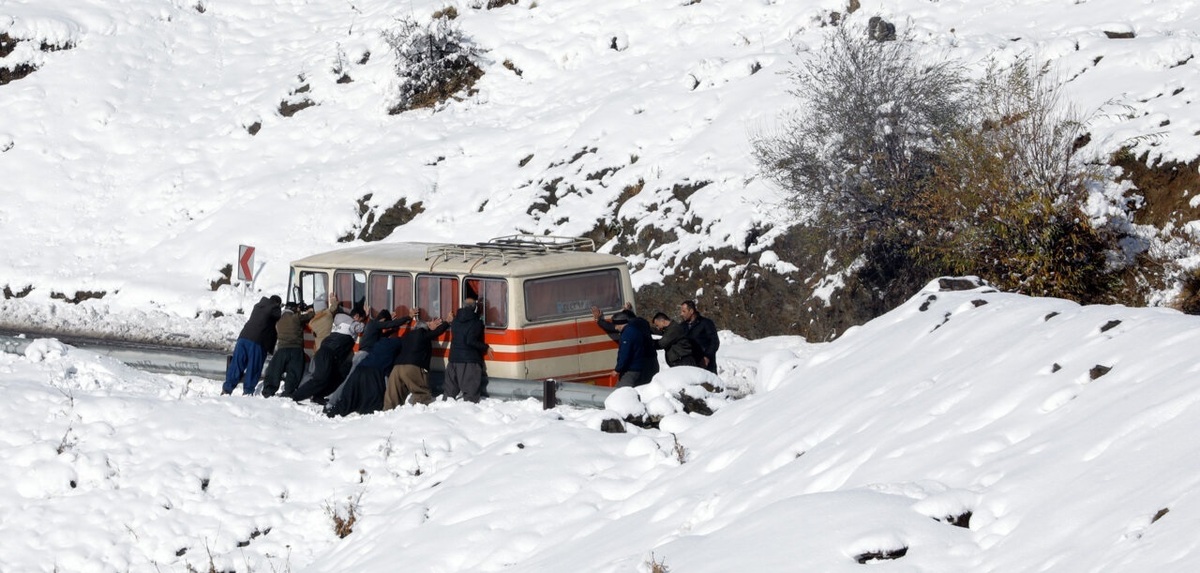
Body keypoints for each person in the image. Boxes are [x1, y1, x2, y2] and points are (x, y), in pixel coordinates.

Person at [323, 333, 406, 417]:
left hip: (360, 368)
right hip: (375, 372)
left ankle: (332, 413)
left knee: (350, 396)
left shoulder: (379, 343)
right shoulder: (398, 343)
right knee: (373, 400)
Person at [290, 310, 362, 404]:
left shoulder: (339, 323)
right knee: (321, 379)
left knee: (337, 377)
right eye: (359, 318)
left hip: (330, 355)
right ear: (356, 316)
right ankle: (296, 396)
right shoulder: (351, 324)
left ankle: (318, 396)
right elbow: (361, 328)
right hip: (328, 354)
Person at [385, 315, 450, 409]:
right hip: (413, 366)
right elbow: (437, 332)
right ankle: (419, 418)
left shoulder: (407, 336)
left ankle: (386, 416)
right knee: (422, 394)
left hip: (397, 368)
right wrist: (447, 322)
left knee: (393, 396)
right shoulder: (422, 333)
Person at [222, 295, 282, 395]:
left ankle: (226, 390)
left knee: (237, 364)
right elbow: (278, 315)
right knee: (254, 367)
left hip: (243, 337)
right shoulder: (273, 308)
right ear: (276, 303)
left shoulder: (258, 306)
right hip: (257, 341)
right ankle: (248, 392)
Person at [262, 302, 314, 398]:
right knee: (294, 371)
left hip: (282, 348)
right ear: (294, 309)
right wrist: (310, 311)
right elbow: (309, 316)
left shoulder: (279, 319)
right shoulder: (296, 317)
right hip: (296, 349)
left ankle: (268, 390)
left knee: (275, 370)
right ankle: (289, 391)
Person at [443, 296, 489, 402]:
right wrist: (486, 347)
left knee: (449, 394)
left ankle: (444, 415)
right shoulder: (476, 322)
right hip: (469, 361)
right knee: (470, 396)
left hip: (453, 359)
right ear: (475, 308)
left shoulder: (455, 321)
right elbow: (470, 341)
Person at [607, 309, 659, 387]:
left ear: (620, 323)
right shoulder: (634, 330)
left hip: (631, 369)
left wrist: (617, 369)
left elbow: (624, 354)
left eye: (616, 325)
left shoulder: (627, 334)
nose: (615, 328)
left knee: (620, 391)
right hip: (641, 366)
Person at [680, 299, 719, 374]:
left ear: (691, 311)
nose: (681, 314)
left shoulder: (706, 323)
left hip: (706, 364)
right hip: (690, 364)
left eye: (684, 311)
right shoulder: (682, 326)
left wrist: (707, 356)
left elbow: (714, 342)